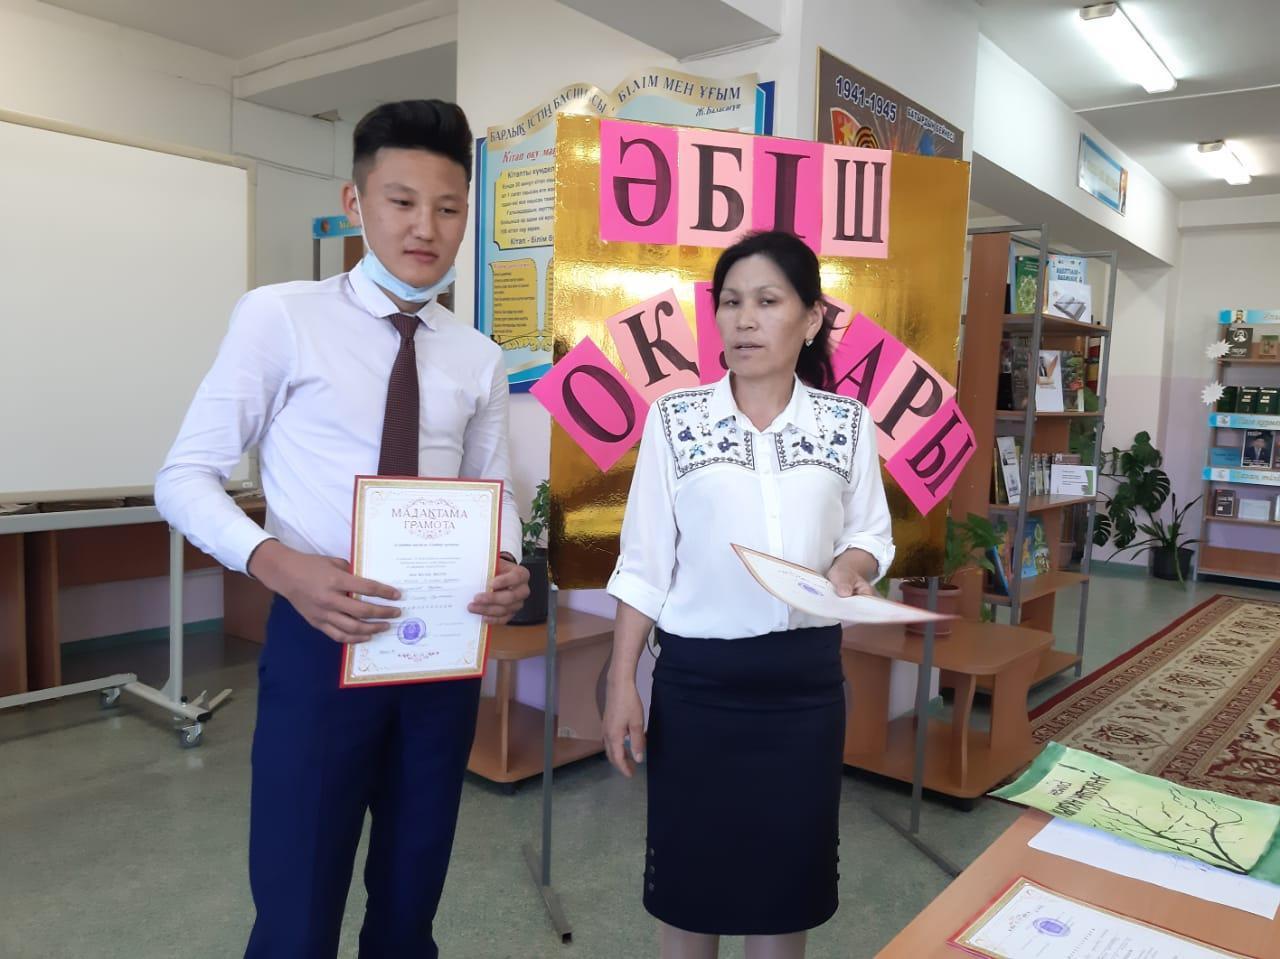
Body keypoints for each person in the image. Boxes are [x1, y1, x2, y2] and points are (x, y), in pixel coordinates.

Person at [155, 100, 530, 959]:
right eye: (402, 201)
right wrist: (279, 565)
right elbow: (182, 476)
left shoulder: (476, 355)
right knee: (297, 904)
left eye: (448, 207)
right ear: (355, 202)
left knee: (410, 897)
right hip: (319, 639)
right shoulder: (281, 317)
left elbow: (493, 489)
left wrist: (506, 556)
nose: (426, 227)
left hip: (439, 649)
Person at [602, 231, 895, 959]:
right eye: (730, 302)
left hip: (804, 690)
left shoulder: (845, 424)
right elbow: (644, 564)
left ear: (812, 318)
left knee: (782, 892)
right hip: (698, 688)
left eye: (767, 301)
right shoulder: (675, 421)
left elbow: (869, 533)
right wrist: (620, 682)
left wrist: (851, 564)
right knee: (690, 889)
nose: (744, 320)